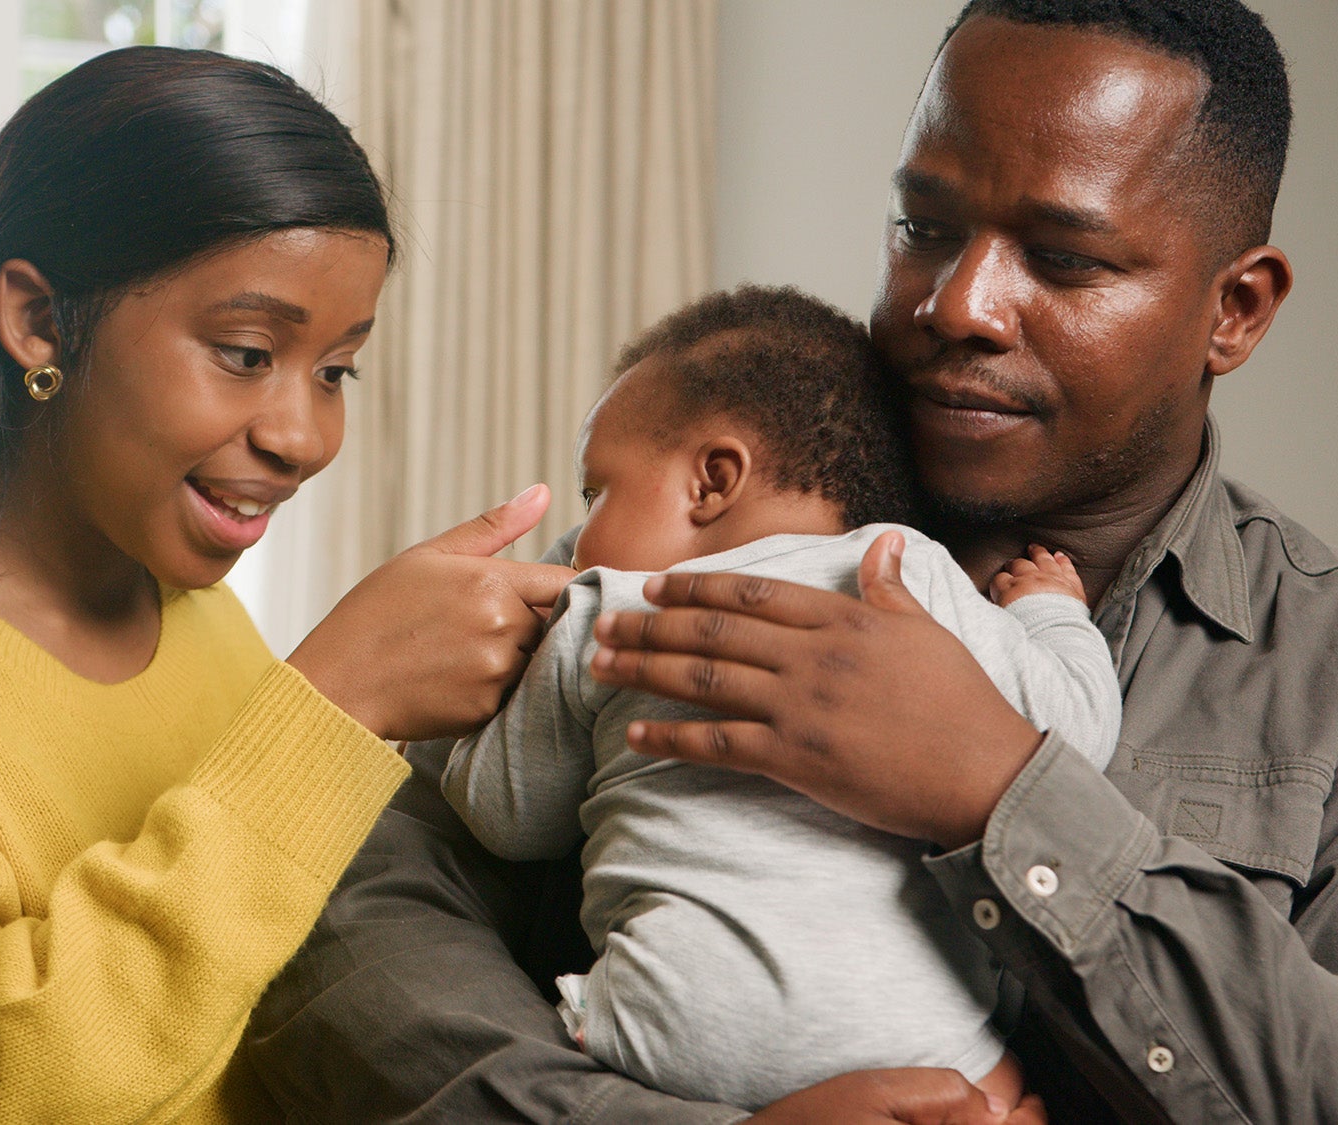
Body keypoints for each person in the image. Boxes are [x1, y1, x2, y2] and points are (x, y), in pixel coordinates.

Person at [245, 2, 1338, 1123]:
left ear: (1234, 309)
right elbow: (347, 928)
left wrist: (1007, 796)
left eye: (1061, 257)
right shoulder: (676, 564)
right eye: (924, 230)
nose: (960, 304)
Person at [0, 47, 572, 1124]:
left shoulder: (209, 630)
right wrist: (330, 711)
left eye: (334, 371)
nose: (304, 436)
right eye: (244, 350)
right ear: (38, 322)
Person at [441, 286, 1120, 1112]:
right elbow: (1079, 732)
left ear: (713, 480)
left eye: (596, 493)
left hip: (666, 1034)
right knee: (1008, 1084)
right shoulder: (914, 578)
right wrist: (1049, 608)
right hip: (930, 1055)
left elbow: (505, 814)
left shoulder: (609, 605)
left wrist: (502, 671)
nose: (581, 538)